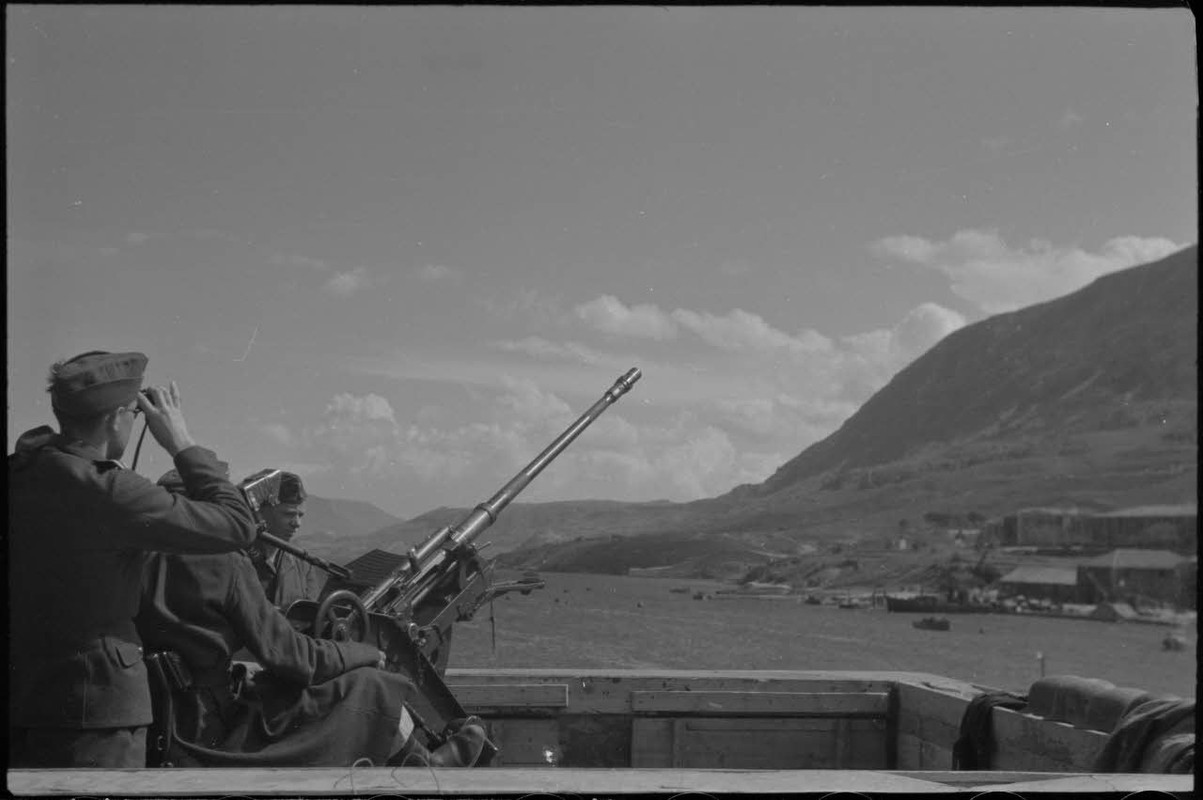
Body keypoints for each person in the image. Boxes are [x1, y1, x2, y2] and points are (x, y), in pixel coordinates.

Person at [134, 469, 489, 768]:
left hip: (167, 718)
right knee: (368, 683)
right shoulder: (222, 561)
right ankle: (424, 767)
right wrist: (363, 653)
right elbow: (293, 658)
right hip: (213, 727)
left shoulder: (136, 559)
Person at [8, 350, 261, 768]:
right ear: (115, 419)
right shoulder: (111, 492)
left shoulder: (23, 473)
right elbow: (237, 524)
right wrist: (181, 442)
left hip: (26, 700)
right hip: (100, 714)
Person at [244, 472, 328, 609]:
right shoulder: (237, 557)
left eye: (300, 515)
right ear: (260, 515)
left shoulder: (303, 564)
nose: (297, 523)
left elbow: (312, 618)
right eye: (288, 514)